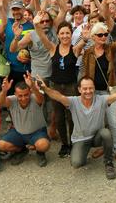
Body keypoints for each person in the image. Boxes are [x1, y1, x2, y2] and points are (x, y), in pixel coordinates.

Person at [40, 74, 116, 180]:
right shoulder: (73, 101)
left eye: (90, 88)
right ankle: (90, 150)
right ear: (79, 89)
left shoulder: (101, 100)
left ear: (94, 88)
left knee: (106, 133)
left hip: (97, 137)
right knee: (76, 163)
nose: (88, 91)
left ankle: (109, 163)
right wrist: (45, 88)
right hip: (80, 139)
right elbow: (58, 96)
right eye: (85, 88)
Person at [80, 19, 116, 165]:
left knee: (113, 122)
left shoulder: (109, 49)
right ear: (93, 37)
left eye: (105, 34)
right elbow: (85, 72)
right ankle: (103, 148)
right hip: (93, 94)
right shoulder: (87, 52)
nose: (104, 37)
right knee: (99, 124)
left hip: (109, 91)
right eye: (100, 35)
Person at [33, 20, 87, 158]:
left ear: (71, 34)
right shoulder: (52, 48)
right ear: (57, 35)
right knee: (58, 117)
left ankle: (74, 143)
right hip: (55, 87)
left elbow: (84, 41)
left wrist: (86, 37)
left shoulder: (75, 49)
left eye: (67, 33)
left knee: (71, 117)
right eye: (62, 33)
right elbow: (41, 35)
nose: (64, 36)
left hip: (71, 87)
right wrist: (36, 24)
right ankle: (64, 144)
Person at [0, 74, 50, 167]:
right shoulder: (12, 100)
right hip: (18, 132)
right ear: (15, 94)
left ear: (30, 92)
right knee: (1, 145)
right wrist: (4, 90)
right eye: (20, 96)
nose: (23, 98)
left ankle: (40, 152)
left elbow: (41, 99)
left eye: (26, 95)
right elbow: (1, 102)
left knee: (44, 145)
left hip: (36, 132)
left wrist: (32, 86)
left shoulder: (35, 97)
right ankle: (21, 149)